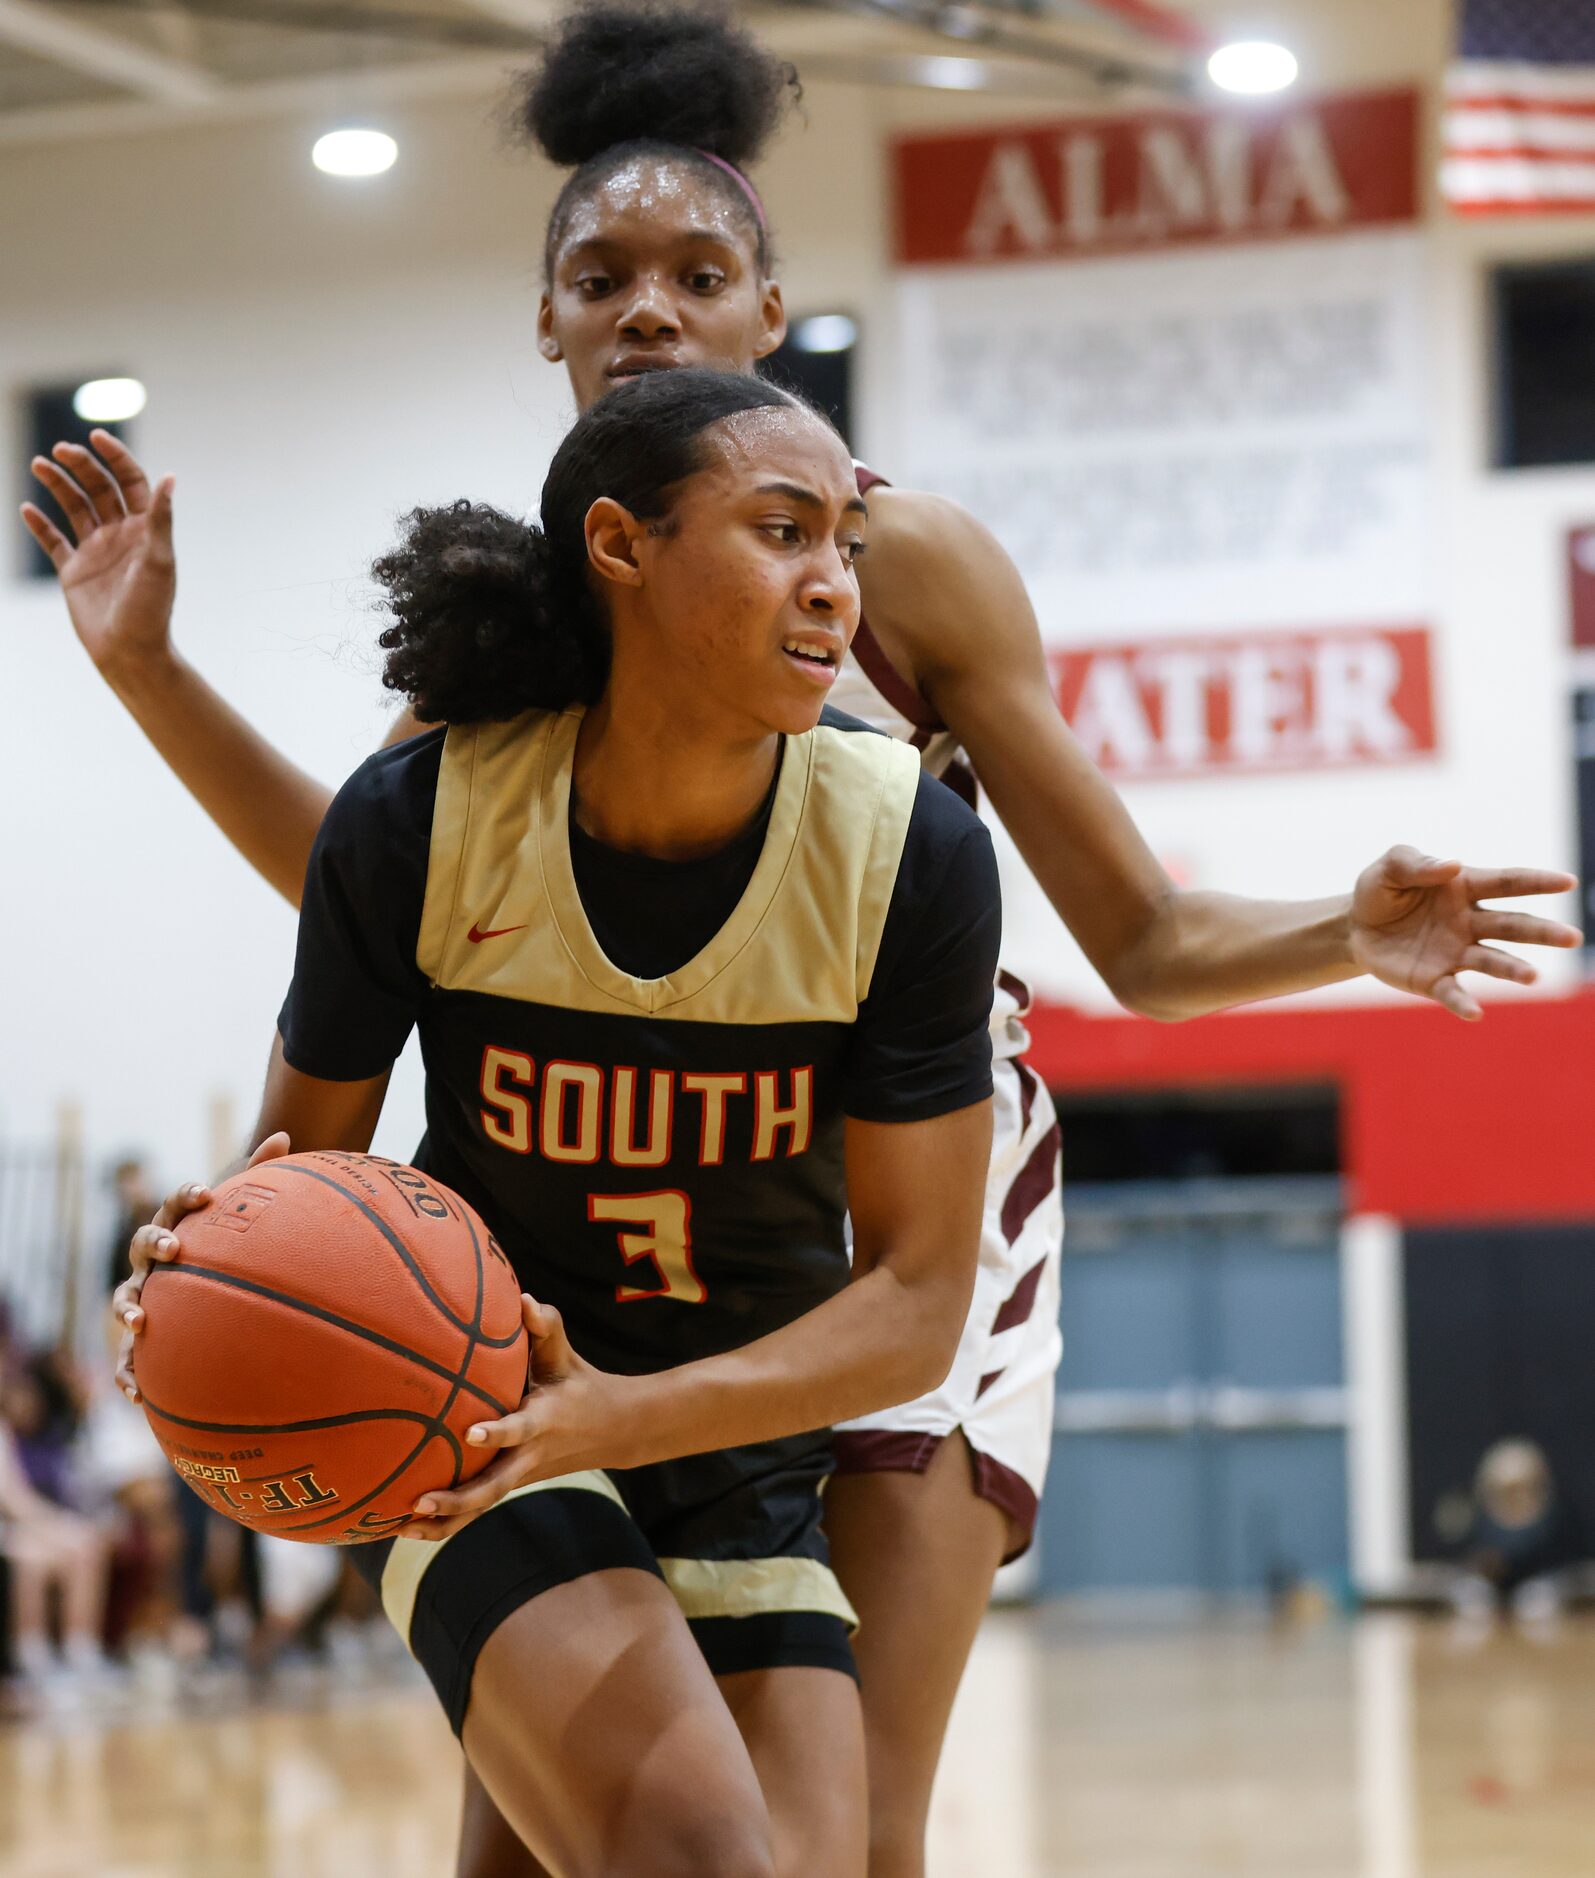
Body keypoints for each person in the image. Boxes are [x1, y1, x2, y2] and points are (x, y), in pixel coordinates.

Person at [18, 8, 1582, 1870]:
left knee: (848, 1835)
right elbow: (378, 897)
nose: (648, 311)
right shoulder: (519, 606)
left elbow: (1145, 938)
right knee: (553, 1802)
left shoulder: (894, 563)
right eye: (601, 277)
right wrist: (154, 677)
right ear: (546, 324)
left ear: (774, 311)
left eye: (699, 276)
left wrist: (1347, 928)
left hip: (898, 1218)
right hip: (600, 1222)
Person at [101, 367, 1001, 1878]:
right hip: (476, 1429)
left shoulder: (910, 846)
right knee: (708, 1855)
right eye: (783, 532)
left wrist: (628, 1411)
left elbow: (916, 1306)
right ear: (620, 545)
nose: (834, 586)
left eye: (847, 541)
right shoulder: (419, 820)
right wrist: (202, 1271)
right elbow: (297, 1178)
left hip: (737, 1445)